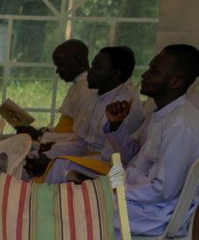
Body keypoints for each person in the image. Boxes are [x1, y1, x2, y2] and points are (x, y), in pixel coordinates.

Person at [109, 45, 199, 237]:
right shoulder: (163, 114)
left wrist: (117, 191)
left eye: (154, 71)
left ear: (175, 82)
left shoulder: (180, 124)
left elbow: (163, 190)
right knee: (74, 202)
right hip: (141, 200)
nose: (145, 75)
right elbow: (135, 163)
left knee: (77, 212)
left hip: (158, 213)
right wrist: (110, 187)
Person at [32, 46, 145, 182]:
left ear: (114, 74)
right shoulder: (95, 97)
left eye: (96, 67)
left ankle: (49, 202)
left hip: (111, 168)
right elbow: (80, 144)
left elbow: (112, 158)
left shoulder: (127, 106)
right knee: (35, 157)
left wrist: (55, 160)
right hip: (88, 159)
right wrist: (49, 155)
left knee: (60, 165)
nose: (89, 71)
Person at [17, 39, 91, 139]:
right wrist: (45, 132)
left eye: (61, 65)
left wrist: (40, 135)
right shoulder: (78, 84)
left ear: (77, 59)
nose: (57, 71)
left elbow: (79, 139)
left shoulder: (88, 89)